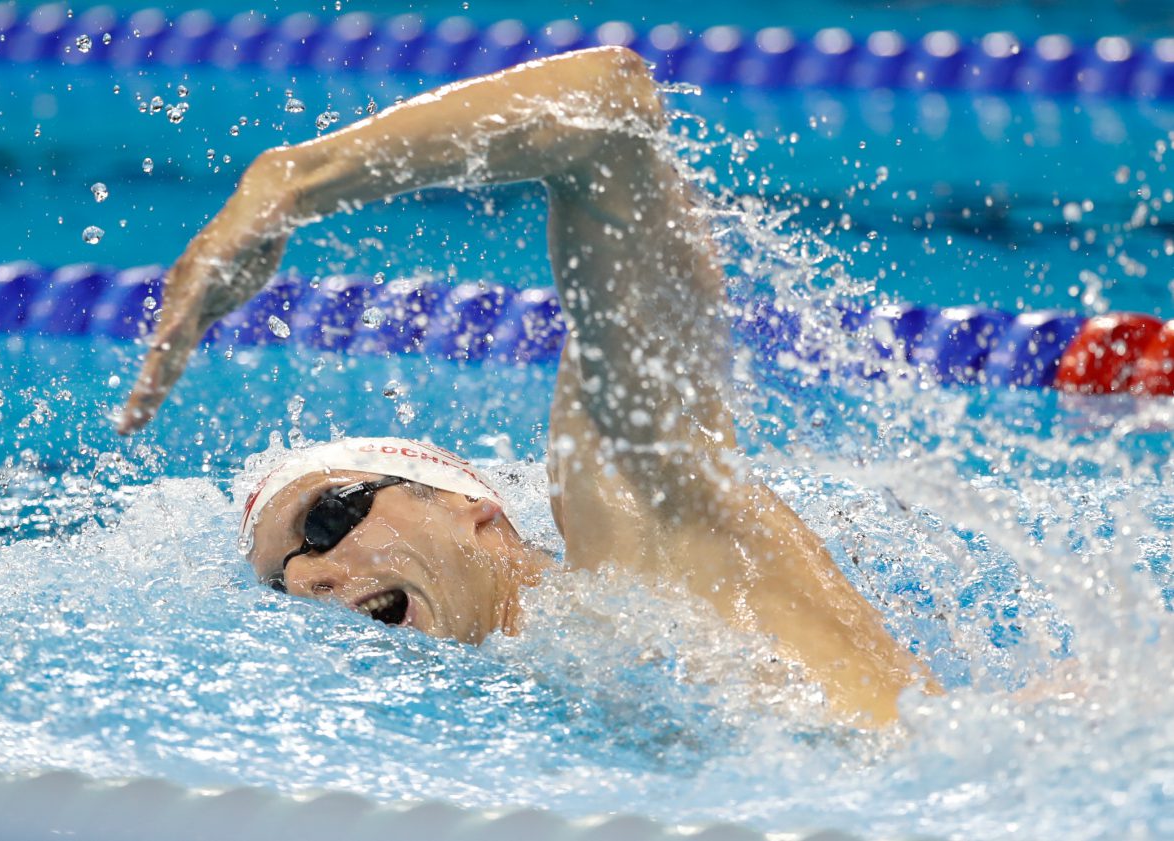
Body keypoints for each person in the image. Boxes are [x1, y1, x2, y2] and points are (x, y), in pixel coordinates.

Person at [116, 46, 936, 725]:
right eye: (279, 580)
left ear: (479, 514)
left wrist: (293, 183)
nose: (306, 578)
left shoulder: (636, 538)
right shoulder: (534, 703)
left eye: (330, 517)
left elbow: (611, 108)